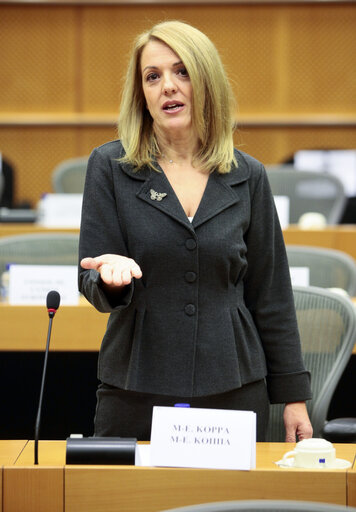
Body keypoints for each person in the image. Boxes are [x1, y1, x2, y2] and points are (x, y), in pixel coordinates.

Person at [79, 20, 313, 442]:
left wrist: (293, 396)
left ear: (206, 82)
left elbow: (271, 293)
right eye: (153, 77)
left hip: (233, 384)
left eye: (181, 71)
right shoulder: (110, 168)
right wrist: (109, 278)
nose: (167, 85)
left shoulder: (248, 176)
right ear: (142, 95)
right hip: (137, 384)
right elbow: (92, 276)